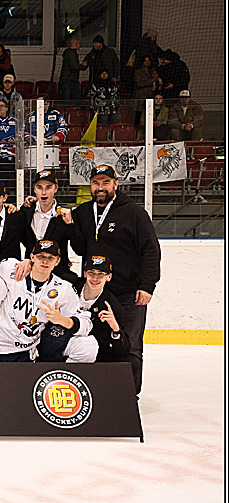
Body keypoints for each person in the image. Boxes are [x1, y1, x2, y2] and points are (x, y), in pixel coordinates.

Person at [63, 164, 161, 393]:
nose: (100, 187)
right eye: (96, 183)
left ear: (116, 184)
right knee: (95, 342)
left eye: (106, 183)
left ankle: (129, 397)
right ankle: (100, 394)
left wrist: (147, 285)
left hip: (129, 292)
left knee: (130, 345)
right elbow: (78, 246)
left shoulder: (134, 213)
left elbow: (151, 250)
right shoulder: (84, 212)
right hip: (96, 293)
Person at [0, 241, 98, 363]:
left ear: (58, 261)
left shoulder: (63, 288)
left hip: (34, 348)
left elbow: (86, 323)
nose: (45, 261)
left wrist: (64, 320)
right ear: (32, 257)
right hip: (3, 348)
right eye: (41, 256)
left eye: (51, 258)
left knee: (88, 344)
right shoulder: (11, 268)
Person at [19, 169, 77, 282]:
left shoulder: (64, 216)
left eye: (48, 187)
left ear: (56, 188)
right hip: (30, 271)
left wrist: (70, 224)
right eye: (39, 187)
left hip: (58, 273)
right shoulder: (26, 211)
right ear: (34, 189)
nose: (43, 192)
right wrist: (8, 206)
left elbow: (78, 247)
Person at [72, 255, 131, 363]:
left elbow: (122, 351)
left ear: (109, 277)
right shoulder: (70, 289)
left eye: (101, 274)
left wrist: (115, 329)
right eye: (91, 273)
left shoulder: (113, 307)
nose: (95, 278)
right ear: (85, 274)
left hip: (91, 355)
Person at [59, 37, 83, 102]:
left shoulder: (69, 53)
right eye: (78, 44)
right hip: (69, 80)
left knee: (69, 98)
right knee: (70, 99)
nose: (79, 45)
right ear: (74, 44)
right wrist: (83, 66)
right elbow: (75, 66)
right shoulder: (71, 53)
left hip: (68, 79)